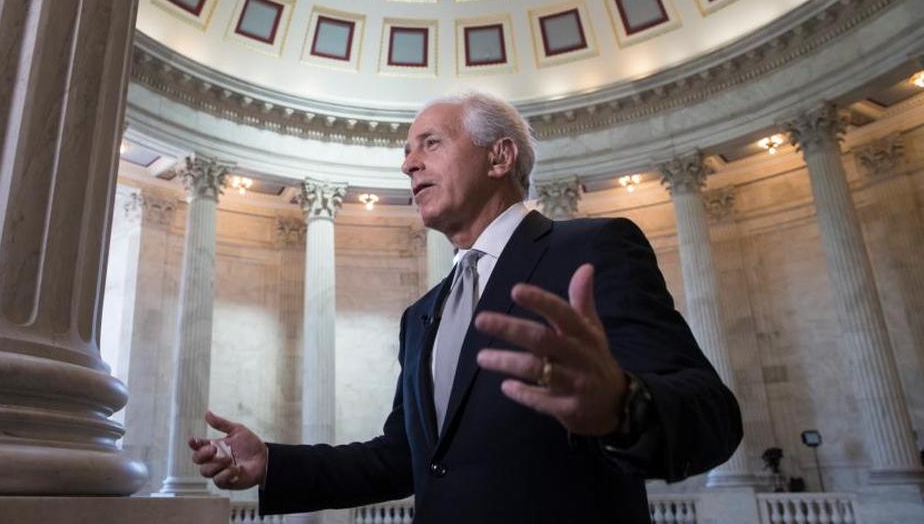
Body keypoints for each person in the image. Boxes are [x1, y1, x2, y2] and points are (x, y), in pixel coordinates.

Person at [189, 93, 742, 523]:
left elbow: (712, 413)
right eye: (406, 152)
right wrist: (274, 465)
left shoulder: (592, 249)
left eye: (430, 144)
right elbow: (403, 457)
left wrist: (622, 407)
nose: (408, 165)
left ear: (499, 156)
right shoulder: (421, 315)